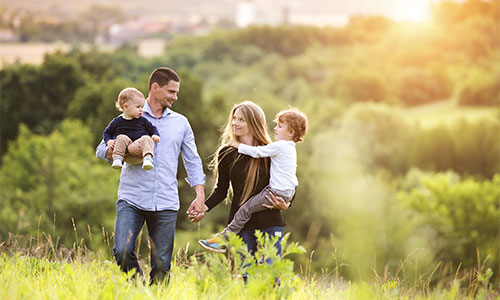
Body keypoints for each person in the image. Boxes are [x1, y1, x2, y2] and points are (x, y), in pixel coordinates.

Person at [96, 67, 205, 284]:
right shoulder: (126, 116)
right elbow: (101, 150)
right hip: (132, 197)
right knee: (122, 250)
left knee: (162, 265)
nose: (175, 97)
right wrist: (120, 149)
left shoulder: (180, 123)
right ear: (155, 88)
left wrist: (200, 195)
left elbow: (192, 160)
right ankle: (139, 292)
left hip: (165, 201)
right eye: (171, 92)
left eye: (176, 92)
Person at [187, 101, 290, 261]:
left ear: (254, 122)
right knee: (247, 275)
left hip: (270, 221)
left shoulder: (270, 152)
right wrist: (203, 207)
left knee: (271, 274)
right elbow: (221, 190)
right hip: (242, 225)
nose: (235, 123)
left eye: (241, 119)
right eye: (234, 118)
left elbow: (288, 181)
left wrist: (287, 203)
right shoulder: (227, 153)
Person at [103, 87, 160, 170]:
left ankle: (148, 158)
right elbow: (107, 132)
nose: (141, 110)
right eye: (138, 107)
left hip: (138, 150)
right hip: (125, 153)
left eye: (142, 107)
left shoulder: (143, 120)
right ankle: (117, 159)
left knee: (146, 138)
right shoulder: (117, 121)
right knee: (121, 137)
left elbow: (152, 129)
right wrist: (108, 141)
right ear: (125, 107)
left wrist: (155, 135)